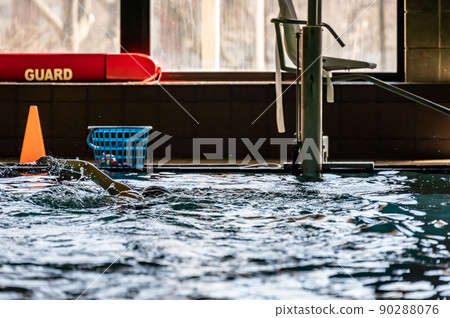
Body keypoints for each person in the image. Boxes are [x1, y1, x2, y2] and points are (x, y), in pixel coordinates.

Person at [36, 157, 169, 200]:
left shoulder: (124, 191)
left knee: (127, 195)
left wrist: (57, 163)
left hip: (122, 205)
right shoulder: (129, 195)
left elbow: (86, 168)